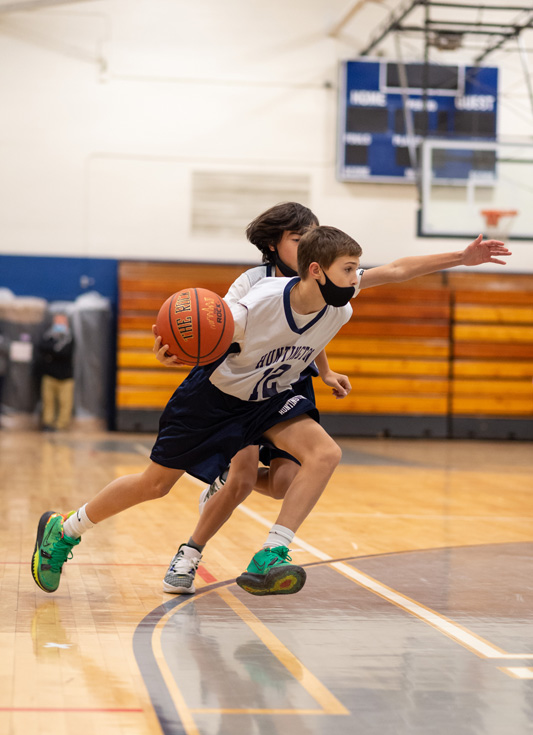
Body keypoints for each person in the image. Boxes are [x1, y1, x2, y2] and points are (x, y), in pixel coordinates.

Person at [31, 227, 511, 597]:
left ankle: (271, 553)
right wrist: (173, 353)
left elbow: (400, 269)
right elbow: (197, 332)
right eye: (349, 269)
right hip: (214, 399)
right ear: (318, 271)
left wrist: (462, 257)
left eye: (357, 269)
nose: (357, 277)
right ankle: (65, 529)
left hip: (269, 398)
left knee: (324, 454)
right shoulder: (253, 307)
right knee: (154, 485)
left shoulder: (339, 299)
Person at [158, 202, 352, 594]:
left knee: (285, 482)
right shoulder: (253, 283)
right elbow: (218, 332)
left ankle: (224, 475)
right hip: (243, 385)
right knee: (243, 481)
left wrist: (326, 371)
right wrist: (180, 352)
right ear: (273, 244)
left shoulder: (323, 280)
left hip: (289, 381)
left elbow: (313, 329)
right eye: (299, 239)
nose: (309, 244)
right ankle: (190, 553)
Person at [36, 313, 75, 431]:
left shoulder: (70, 337)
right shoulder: (49, 336)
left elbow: (65, 353)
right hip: (49, 375)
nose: (59, 325)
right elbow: (42, 347)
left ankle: (61, 426)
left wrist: (52, 353)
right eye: (57, 322)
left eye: (61, 322)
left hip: (65, 377)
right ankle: (48, 423)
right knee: (48, 402)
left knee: (65, 403)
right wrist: (55, 350)